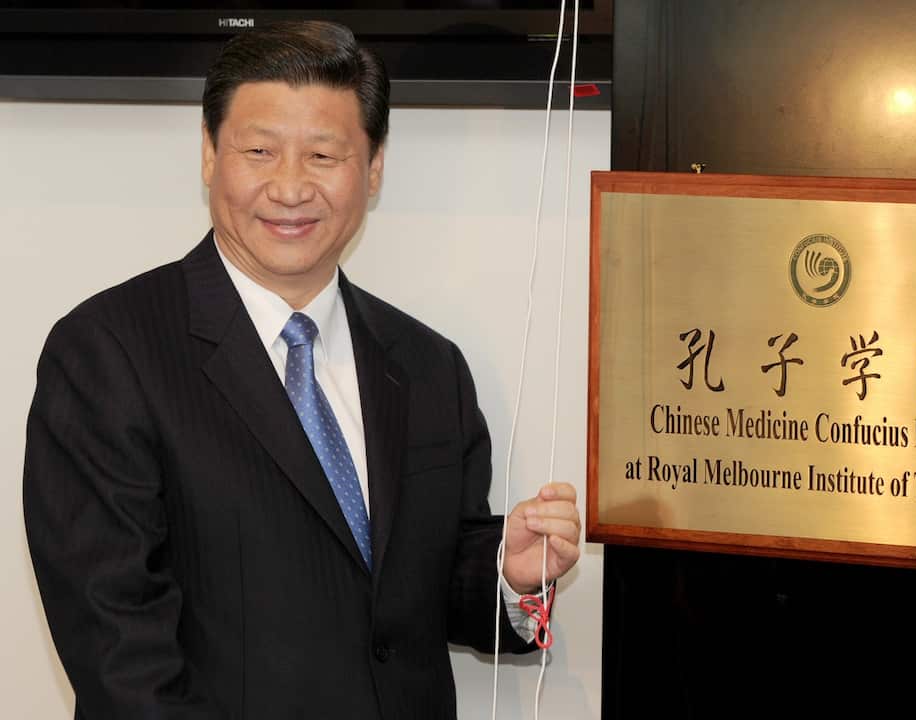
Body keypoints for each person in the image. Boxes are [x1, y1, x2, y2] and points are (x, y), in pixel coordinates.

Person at [22, 20, 581, 719]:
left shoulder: (430, 365)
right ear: (209, 154)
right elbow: (120, 658)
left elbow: (417, 594)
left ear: (373, 168)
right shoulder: (107, 353)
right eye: (259, 150)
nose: (289, 188)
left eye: (323, 155)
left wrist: (508, 574)